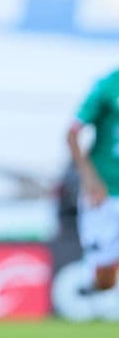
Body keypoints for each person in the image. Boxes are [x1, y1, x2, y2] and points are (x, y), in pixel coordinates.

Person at [66, 68, 119, 315]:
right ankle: (90, 291)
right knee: (104, 275)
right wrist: (89, 180)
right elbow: (72, 133)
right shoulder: (108, 86)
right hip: (106, 192)